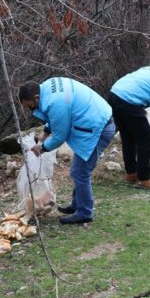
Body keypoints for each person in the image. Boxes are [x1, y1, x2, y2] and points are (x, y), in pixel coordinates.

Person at [19, 77, 115, 225]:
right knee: (78, 170)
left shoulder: (55, 102)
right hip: (96, 122)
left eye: (30, 106)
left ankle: (85, 212)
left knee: (80, 172)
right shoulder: (47, 88)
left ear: (36, 97)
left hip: (98, 128)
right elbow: (57, 117)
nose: (31, 109)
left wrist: (42, 148)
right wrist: (45, 132)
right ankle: (77, 205)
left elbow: (60, 135)